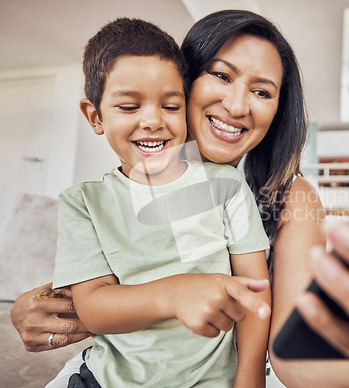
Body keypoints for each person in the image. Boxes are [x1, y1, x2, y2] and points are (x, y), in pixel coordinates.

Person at [10, 10, 349, 387]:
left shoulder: (288, 197)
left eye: (262, 91)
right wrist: (29, 308)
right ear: (184, 78)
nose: (238, 105)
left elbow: (292, 359)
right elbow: (98, 290)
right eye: (221, 76)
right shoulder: (112, 187)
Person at [51, 17, 271, 387]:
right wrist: (174, 294)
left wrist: (249, 377)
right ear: (95, 116)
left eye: (170, 106)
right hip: (107, 379)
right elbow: (93, 309)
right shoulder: (83, 202)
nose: (152, 120)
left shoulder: (227, 186)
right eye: (129, 107)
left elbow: (254, 296)